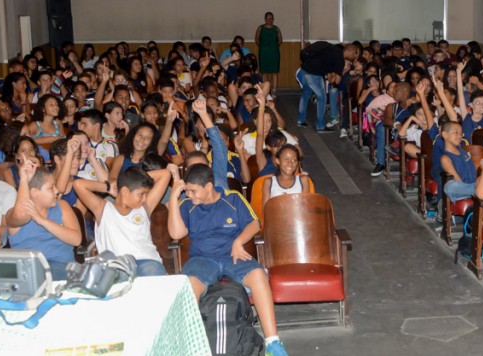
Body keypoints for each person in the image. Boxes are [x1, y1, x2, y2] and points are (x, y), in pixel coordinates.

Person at [168, 164, 288, 356]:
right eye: (187, 190)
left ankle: (273, 343)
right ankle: (187, 346)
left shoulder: (233, 198)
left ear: (209, 186)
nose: (189, 195)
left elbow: (254, 224)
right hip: (202, 259)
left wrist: (238, 242)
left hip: (233, 256)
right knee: (189, 285)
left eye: (193, 191)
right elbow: (176, 232)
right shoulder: (187, 206)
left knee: (258, 275)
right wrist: (174, 198)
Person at [73, 165, 172, 277]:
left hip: (147, 261)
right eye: (141, 194)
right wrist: (109, 187)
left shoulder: (145, 207)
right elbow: (78, 184)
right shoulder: (103, 209)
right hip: (116, 264)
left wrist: (133, 179)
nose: (144, 198)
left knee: (151, 277)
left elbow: (165, 174)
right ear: (124, 191)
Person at [4, 162, 82, 280]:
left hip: (62, 266)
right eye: (51, 187)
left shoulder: (62, 206)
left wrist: (42, 221)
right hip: (29, 269)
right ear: (35, 192)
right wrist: (24, 180)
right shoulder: (13, 214)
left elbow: (76, 240)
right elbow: (22, 214)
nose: (56, 191)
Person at [298, 42, 355, 132]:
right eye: (354, 54)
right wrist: (345, 70)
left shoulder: (334, 49)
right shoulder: (340, 59)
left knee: (306, 94)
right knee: (322, 98)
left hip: (304, 69)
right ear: (350, 51)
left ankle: (300, 120)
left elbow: (330, 76)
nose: (354, 57)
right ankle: (320, 126)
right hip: (314, 74)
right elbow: (337, 81)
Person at [256, 12, 284, 87]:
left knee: (275, 71)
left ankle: (274, 89)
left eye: (271, 18)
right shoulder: (260, 28)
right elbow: (257, 40)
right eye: (268, 18)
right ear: (265, 19)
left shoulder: (276, 28)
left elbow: (280, 40)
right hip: (263, 52)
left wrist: (273, 47)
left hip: (274, 52)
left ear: (273, 19)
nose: (270, 20)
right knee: (264, 71)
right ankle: (266, 89)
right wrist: (263, 47)